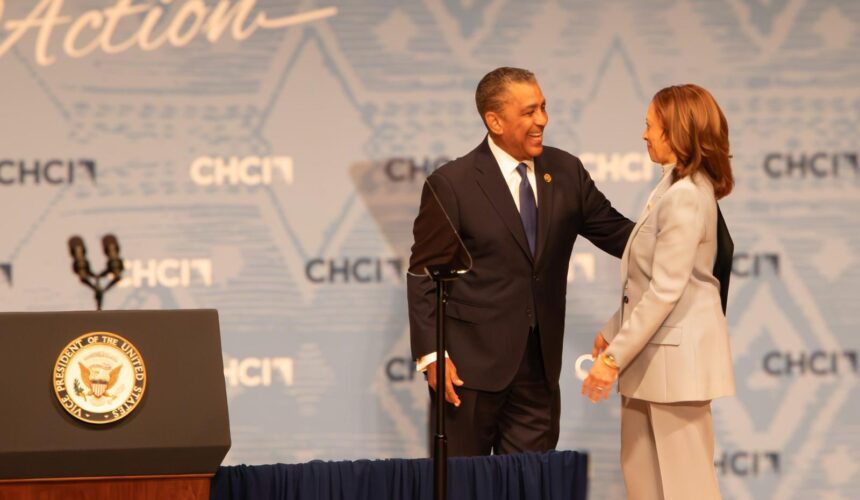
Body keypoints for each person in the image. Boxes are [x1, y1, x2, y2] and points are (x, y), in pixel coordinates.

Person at [407, 67, 634, 456]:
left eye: (543, 108)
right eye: (529, 112)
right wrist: (433, 356)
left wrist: (682, 230)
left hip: (538, 372)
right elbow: (424, 274)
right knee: (465, 486)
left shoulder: (566, 173)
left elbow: (623, 237)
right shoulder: (452, 184)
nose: (542, 120)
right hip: (468, 374)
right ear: (494, 121)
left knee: (532, 485)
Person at [582, 84, 736, 500]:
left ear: (676, 131)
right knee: (643, 484)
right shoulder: (672, 187)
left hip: (677, 367)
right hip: (650, 364)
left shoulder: (686, 196)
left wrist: (612, 359)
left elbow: (668, 290)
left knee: (688, 489)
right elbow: (648, 281)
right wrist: (615, 329)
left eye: (650, 126)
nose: (645, 135)